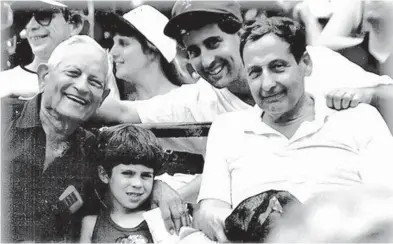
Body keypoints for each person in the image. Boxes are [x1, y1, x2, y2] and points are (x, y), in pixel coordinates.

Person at [94, 0, 393, 233]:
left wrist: (367, 95)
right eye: (194, 51)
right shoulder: (205, 102)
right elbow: (125, 113)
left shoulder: (322, 67)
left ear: (241, 34)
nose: (207, 61)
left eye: (213, 43)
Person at [194, 16, 393, 242]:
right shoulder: (228, 129)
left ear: (305, 64)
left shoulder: (357, 119)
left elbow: (386, 205)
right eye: (255, 73)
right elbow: (211, 208)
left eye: (278, 67)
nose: (267, 84)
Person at [2, 35, 112, 242]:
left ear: (102, 98)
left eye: (95, 82)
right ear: (44, 77)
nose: (82, 87)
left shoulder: (92, 151)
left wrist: (160, 189)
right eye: (73, 73)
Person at [80, 124, 165, 243]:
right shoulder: (91, 224)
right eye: (128, 173)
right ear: (104, 174)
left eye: (146, 175)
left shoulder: (159, 220)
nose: (137, 184)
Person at [108, 5, 181, 101]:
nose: (112, 52)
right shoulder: (127, 105)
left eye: (123, 43)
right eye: (114, 43)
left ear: (152, 50)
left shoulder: (185, 103)